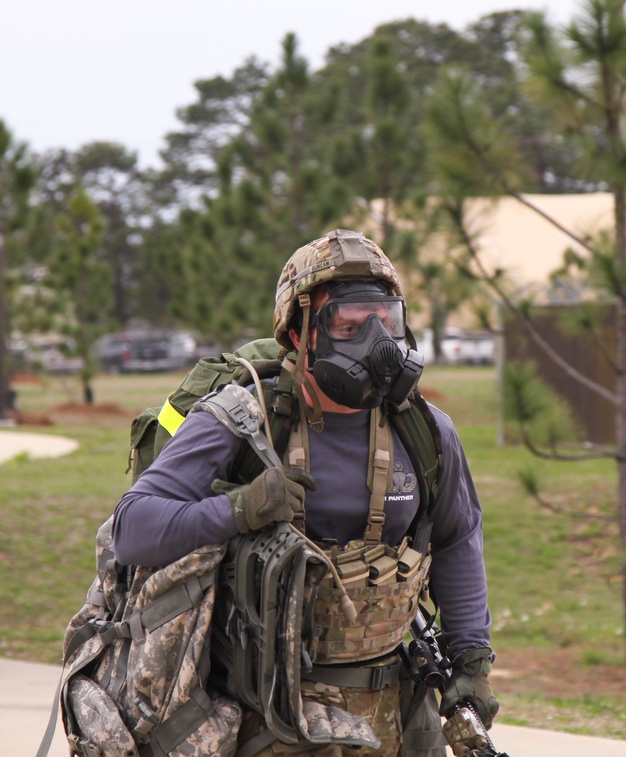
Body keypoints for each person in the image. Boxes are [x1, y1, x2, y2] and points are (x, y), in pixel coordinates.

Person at [113, 229, 499, 757]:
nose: (378, 344)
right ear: (298, 333)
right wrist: (239, 509)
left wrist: (471, 661)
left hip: (395, 713)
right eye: (348, 325)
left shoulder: (427, 432)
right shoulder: (241, 421)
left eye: (386, 321)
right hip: (269, 716)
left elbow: (457, 541)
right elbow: (131, 530)